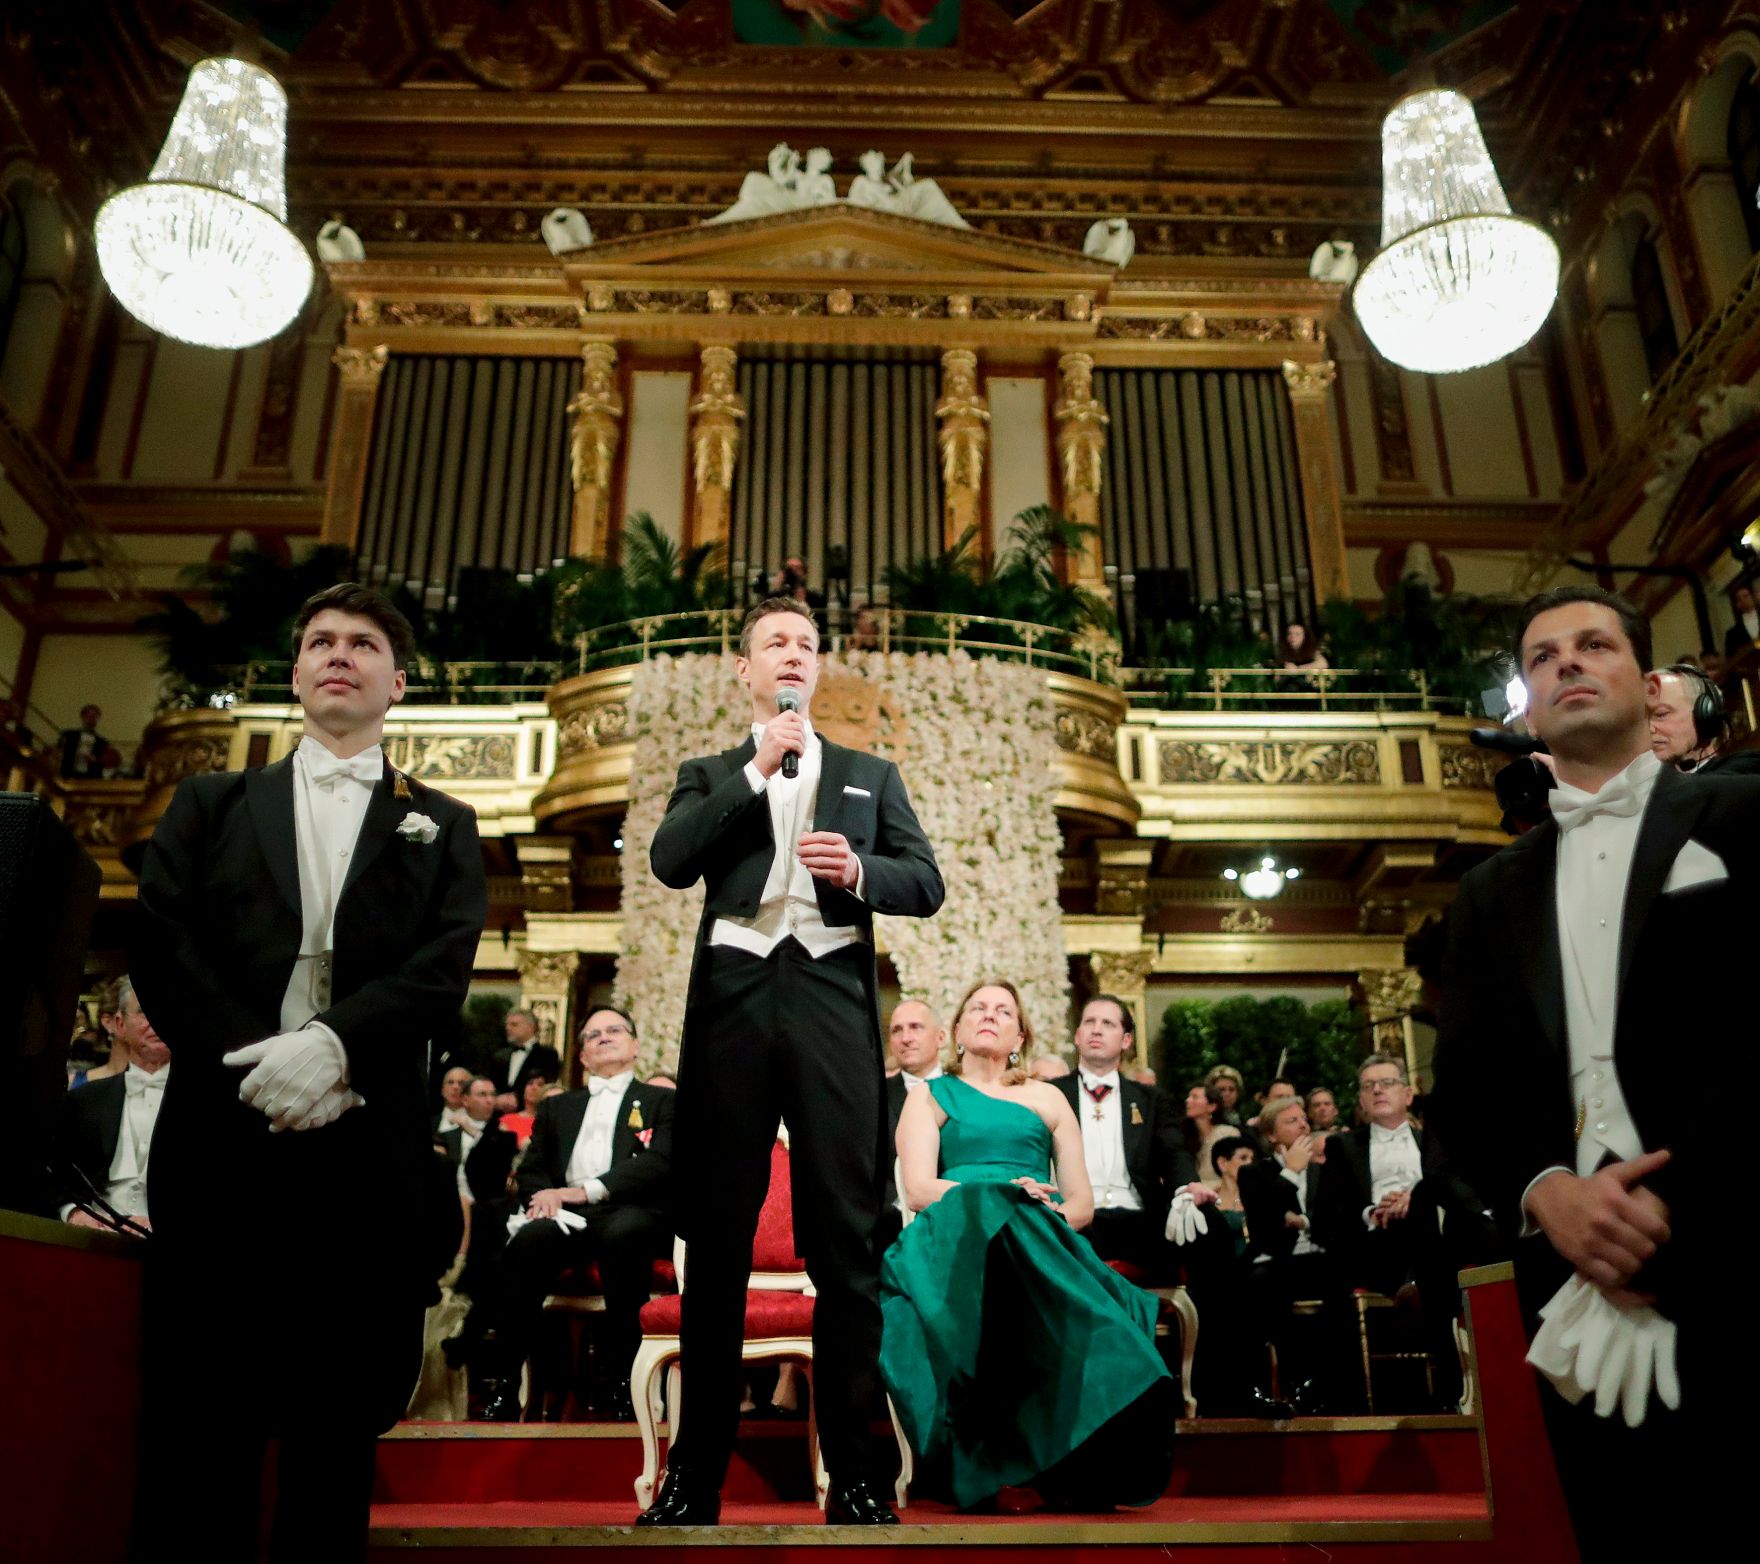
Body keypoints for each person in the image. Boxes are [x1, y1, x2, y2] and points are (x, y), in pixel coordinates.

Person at [131, 582, 487, 1562]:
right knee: (202, 1431)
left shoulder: (443, 822)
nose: (339, 653)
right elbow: (163, 944)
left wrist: (331, 1047)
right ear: (295, 672)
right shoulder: (207, 803)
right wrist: (257, 1060)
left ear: (397, 680)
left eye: (363, 642)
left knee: (332, 1445)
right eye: (320, 640)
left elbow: (444, 965)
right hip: (220, 1143)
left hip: (363, 1152)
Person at [1431, 584, 1748, 1557]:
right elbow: (1465, 1099)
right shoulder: (1488, 895)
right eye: (1539, 657)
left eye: (1590, 644)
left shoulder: (1744, 813)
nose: (1564, 662)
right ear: (1524, 705)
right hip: (1573, 1279)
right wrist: (1547, 1191)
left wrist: (1681, 1198)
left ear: (1644, 682)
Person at [642, 596, 943, 1527]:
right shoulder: (708, 772)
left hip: (829, 999)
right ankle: (694, 1480)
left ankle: (856, 1473)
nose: (793, 655)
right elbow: (669, 861)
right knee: (718, 1242)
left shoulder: (868, 772)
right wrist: (754, 768)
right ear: (746, 670)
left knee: (848, 1241)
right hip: (733, 999)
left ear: (818, 670)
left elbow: (924, 882)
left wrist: (858, 873)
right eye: (775, 642)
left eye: (807, 646)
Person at [881, 981, 1175, 1511]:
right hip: (956, 1231)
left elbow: (1081, 1205)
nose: (989, 1015)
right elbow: (921, 1188)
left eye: (1003, 1010)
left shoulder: (1046, 1097)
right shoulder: (930, 1095)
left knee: (1089, 1301)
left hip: (1040, 1228)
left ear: (1021, 1034)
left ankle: (1082, 1452)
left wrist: (1043, 1208)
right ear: (958, 1030)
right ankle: (997, 1455)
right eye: (977, 1008)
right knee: (1003, 1229)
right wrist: (996, 1194)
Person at [475, 1007, 674, 1422]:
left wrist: (584, 1190)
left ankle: (623, 1381)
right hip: (566, 1216)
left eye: (614, 1030)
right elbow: (532, 1168)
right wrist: (543, 1196)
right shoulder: (557, 1108)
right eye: (592, 1034)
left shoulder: (663, 1101)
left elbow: (661, 1163)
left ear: (635, 1046)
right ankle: (506, 1383)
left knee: (625, 1233)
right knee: (527, 1242)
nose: (603, 1037)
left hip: (629, 1209)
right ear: (582, 1055)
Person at [1314, 1054, 1498, 1409]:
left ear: (1408, 1094)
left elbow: (1463, 1193)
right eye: (1369, 1086)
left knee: (1431, 1206)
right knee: (1435, 1260)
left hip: (1435, 1240)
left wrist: (1415, 1198)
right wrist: (1373, 1211)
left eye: (1387, 1083)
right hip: (1375, 1243)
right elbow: (1326, 1214)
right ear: (1362, 1100)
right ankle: (1447, 1383)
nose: (1378, 1090)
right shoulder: (1343, 1146)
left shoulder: (1434, 1140)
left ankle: (1416, 1287)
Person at [1053, 995, 1194, 1269]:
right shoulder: (1053, 1093)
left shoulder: (1150, 1099)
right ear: (1078, 1036)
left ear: (1126, 1040)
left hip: (1138, 1217)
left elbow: (1173, 1151)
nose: (1096, 1029)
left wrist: (1188, 1186)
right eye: (1089, 1022)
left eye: (1108, 1023)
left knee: (1208, 1225)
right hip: (1077, 1217)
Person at [1237, 1096, 1354, 1413]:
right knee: (1262, 1285)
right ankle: (1291, 1382)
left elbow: (1338, 1220)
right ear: (1272, 1135)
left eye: (1303, 1119)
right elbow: (1263, 1228)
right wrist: (1289, 1173)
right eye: (1291, 1121)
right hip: (1275, 1261)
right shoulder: (1253, 1174)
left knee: (1341, 1279)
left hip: (1320, 1258)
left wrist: (1303, 1221)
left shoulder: (1325, 1171)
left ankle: (1334, 1386)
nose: (1303, 1124)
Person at [52, 975, 168, 1233]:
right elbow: (54, 1177)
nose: (157, 1022)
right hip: (94, 1238)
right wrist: (73, 1213)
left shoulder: (210, 1107)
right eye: (144, 1012)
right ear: (120, 1023)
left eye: (165, 1012)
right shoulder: (84, 1099)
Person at [1648, 662, 1760, 777]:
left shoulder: (1746, 774)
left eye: (1661, 714)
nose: (1649, 728)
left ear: (1704, 714)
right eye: (1643, 721)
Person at [491, 1007, 561, 1113]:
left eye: (514, 1024)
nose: (508, 1028)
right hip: (498, 1117)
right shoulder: (499, 1056)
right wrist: (497, 1099)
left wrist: (518, 1099)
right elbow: (491, 1083)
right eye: (507, 1024)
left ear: (531, 1027)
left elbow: (547, 1086)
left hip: (533, 1115)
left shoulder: (547, 1054)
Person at [1182, 1080, 1232, 1191]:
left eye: (1195, 1097)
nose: (1188, 1100)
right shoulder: (1183, 1136)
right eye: (1189, 1096)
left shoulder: (1227, 1133)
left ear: (1212, 1106)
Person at [497, 1068, 554, 1149]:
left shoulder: (548, 1122)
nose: (534, 1088)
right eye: (530, 1083)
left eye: (540, 1085)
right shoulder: (507, 1120)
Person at [57, 702, 108, 780]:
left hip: (90, 777)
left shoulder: (102, 742)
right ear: (83, 717)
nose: (91, 719)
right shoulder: (69, 735)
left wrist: (94, 760)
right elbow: (59, 753)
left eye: (94, 717)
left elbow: (103, 762)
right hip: (68, 774)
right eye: (89, 716)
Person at [1721, 580, 1758, 657]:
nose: (1743, 600)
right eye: (1739, 598)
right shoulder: (1732, 634)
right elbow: (1731, 658)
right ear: (1737, 604)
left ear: (1753, 597)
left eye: (1746, 596)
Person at [435, 1064, 473, 1133]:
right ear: (442, 1090)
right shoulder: (429, 1122)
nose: (455, 1087)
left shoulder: (480, 1123)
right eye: (450, 1082)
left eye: (461, 1083)